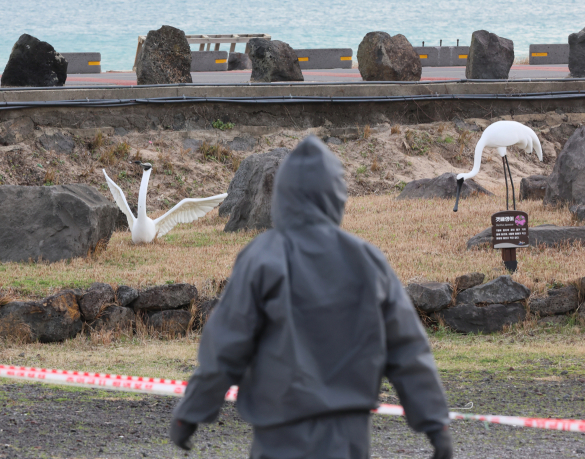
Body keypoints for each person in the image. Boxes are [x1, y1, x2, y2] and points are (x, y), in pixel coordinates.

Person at [170, 135, 453, 459]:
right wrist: (436, 423)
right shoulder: (367, 261)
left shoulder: (261, 258)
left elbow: (226, 345)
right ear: (336, 194)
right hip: (347, 436)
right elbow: (407, 349)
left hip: (278, 434)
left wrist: (191, 410)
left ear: (282, 195)